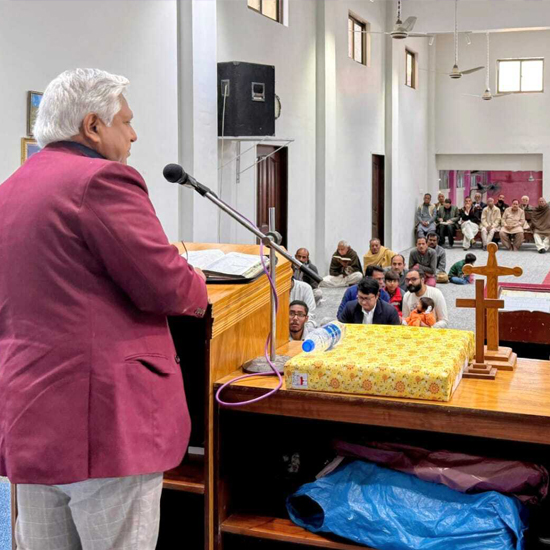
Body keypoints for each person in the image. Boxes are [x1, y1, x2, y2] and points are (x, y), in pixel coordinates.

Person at [0, 69, 209, 549]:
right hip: (105, 423)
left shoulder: (9, 189)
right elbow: (166, 287)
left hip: (28, 417)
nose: (134, 135)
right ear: (92, 126)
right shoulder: (102, 181)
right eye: (126, 121)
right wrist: (195, 281)